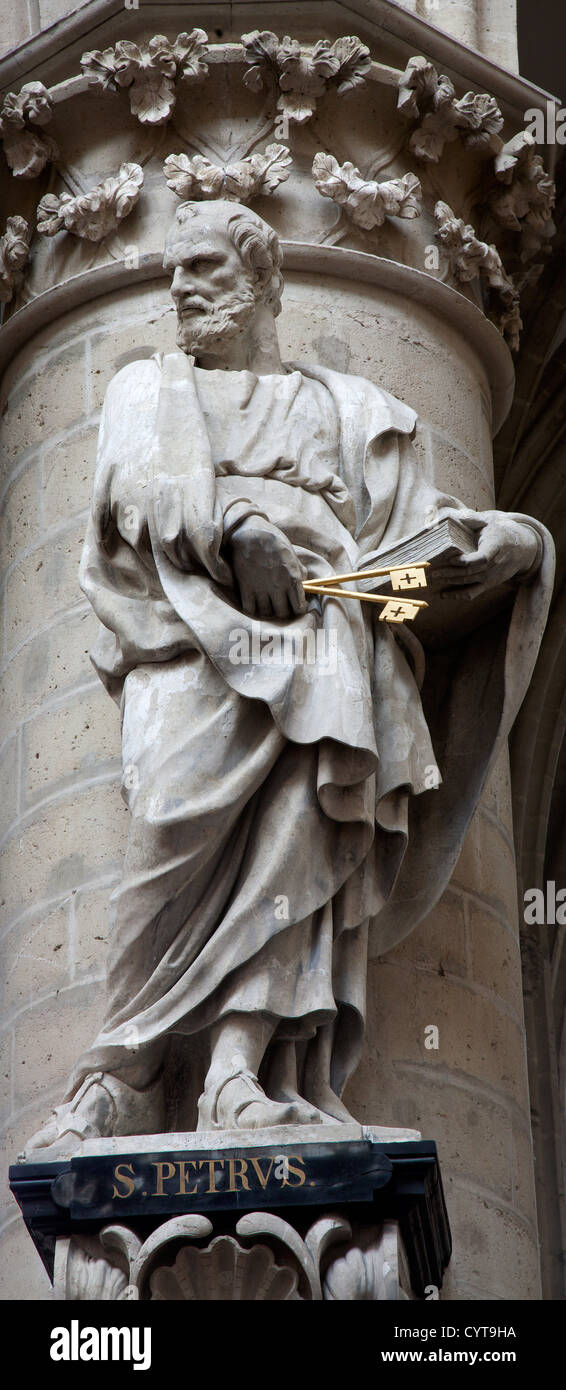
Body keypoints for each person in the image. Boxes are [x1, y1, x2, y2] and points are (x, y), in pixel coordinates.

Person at [22, 199, 553, 1154]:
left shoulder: (353, 411)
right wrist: (237, 530)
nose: (182, 290)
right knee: (168, 844)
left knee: (304, 839)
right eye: (174, 273)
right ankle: (125, 1061)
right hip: (193, 644)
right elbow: (132, 493)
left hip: (326, 645)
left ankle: (237, 1068)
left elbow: (398, 552)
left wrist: (499, 544)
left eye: (205, 271)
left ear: (266, 282)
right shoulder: (151, 387)